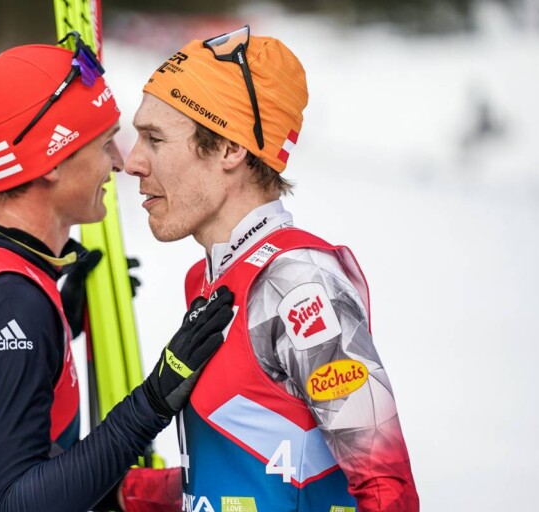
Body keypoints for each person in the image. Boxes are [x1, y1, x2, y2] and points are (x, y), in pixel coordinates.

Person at [0, 33, 234, 512]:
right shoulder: (10, 305)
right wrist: (153, 402)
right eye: (104, 145)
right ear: (51, 161)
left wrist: (58, 319)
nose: (120, 163)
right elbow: (20, 503)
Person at [125, 26, 419, 511]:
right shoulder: (210, 281)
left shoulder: (298, 283)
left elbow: (387, 486)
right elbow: (254, 468)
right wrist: (119, 491)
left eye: (154, 139)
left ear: (229, 149)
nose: (132, 162)